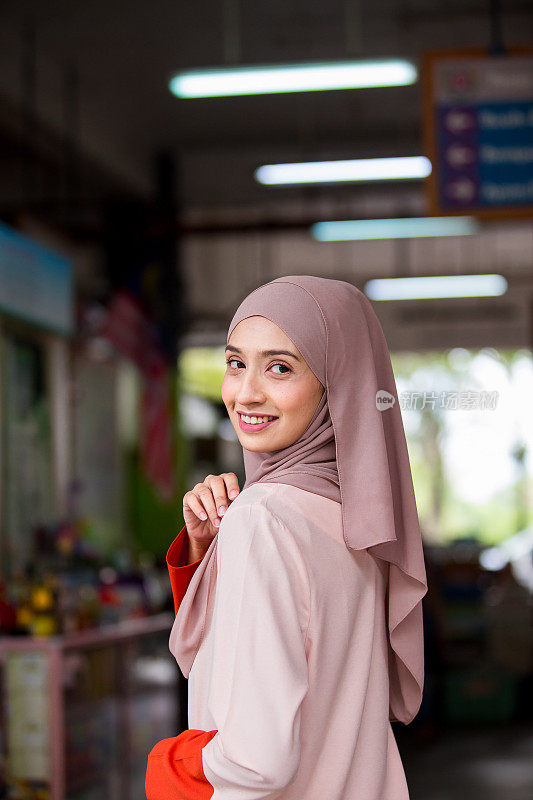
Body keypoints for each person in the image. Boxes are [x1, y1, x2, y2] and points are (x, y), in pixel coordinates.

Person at [145, 275, 428, 800]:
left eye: (280, 367)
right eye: (236, 363)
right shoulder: (357, 515)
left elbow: (255, 763)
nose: (246, 393)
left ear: (334, 383)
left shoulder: (264, 519)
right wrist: (209, 555)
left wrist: (166, 764)